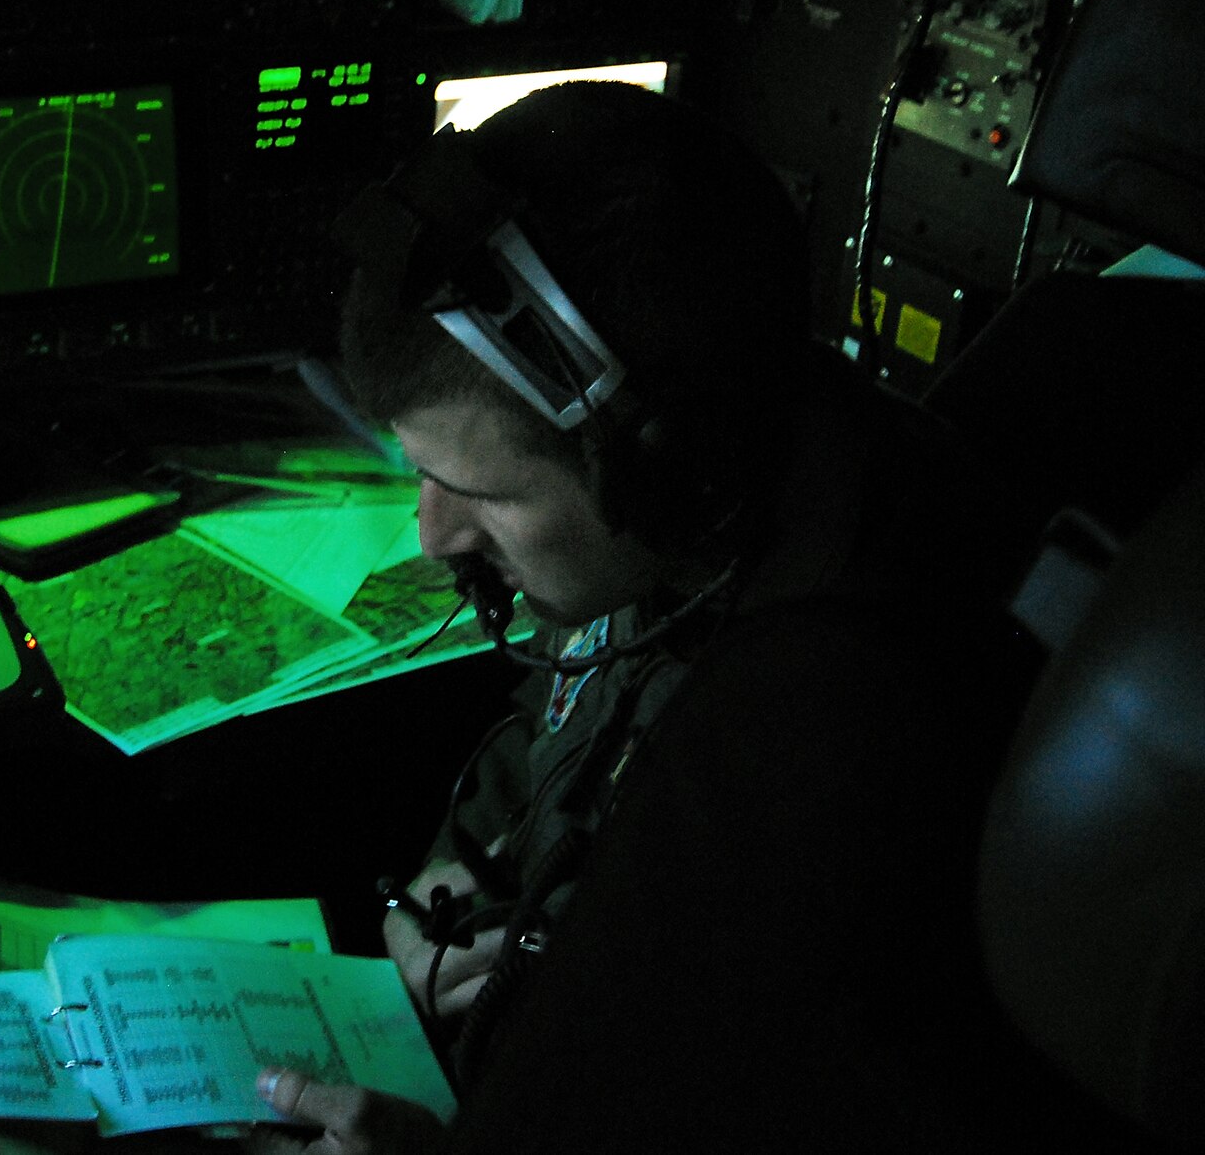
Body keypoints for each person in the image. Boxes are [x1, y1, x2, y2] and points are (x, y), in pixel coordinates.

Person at [242, 81, 1124, 1152]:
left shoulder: (812, 761)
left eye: (478, 492)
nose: (433, 535)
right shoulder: (727, 492)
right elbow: (563, 707)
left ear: (660, 468)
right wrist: (454, 878)